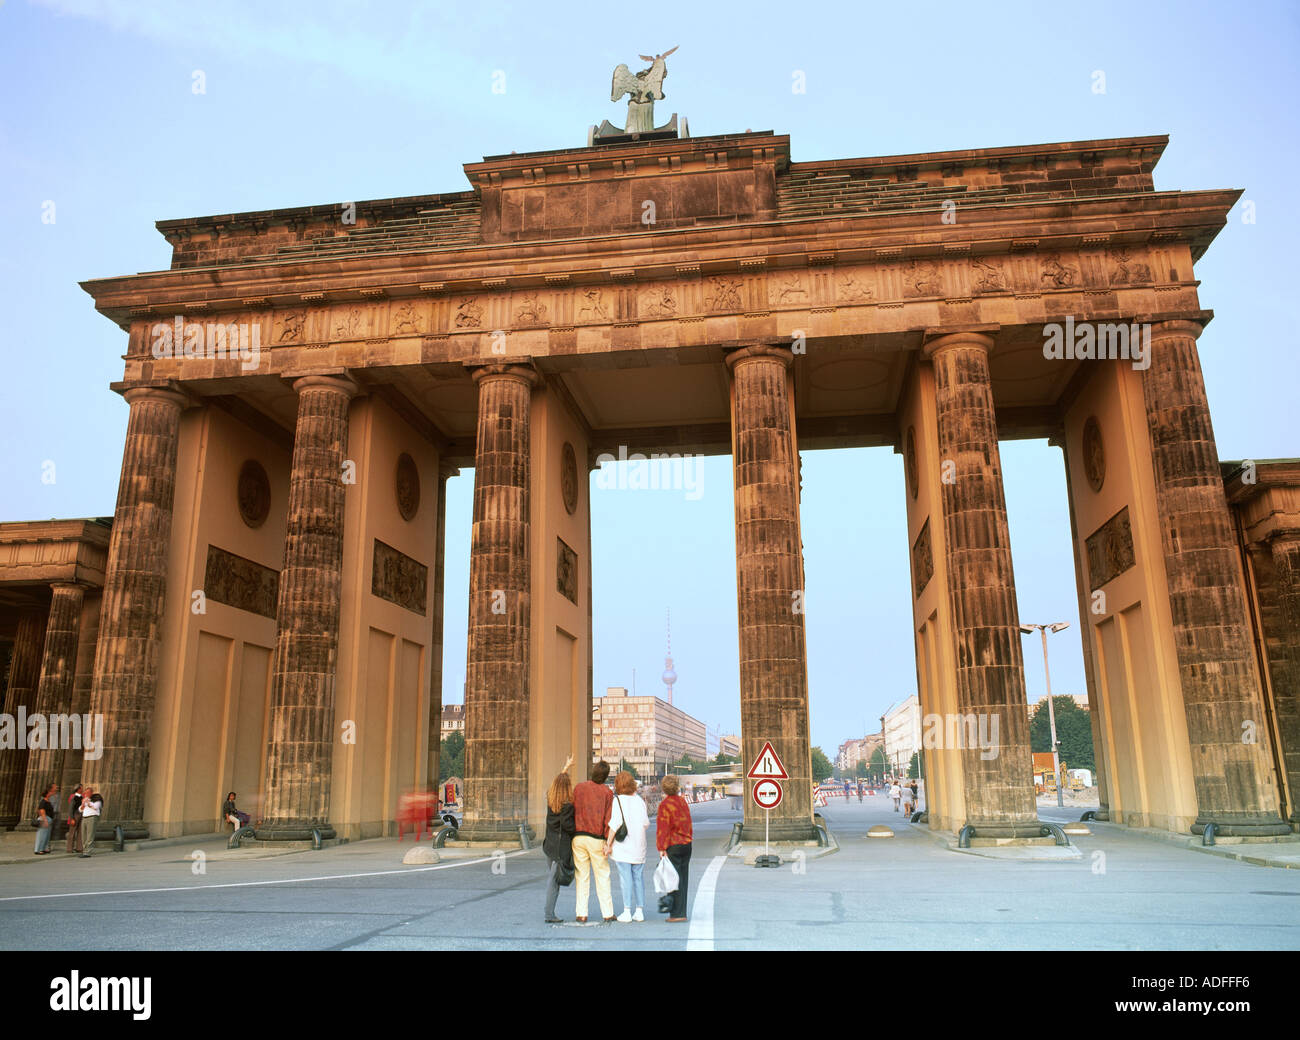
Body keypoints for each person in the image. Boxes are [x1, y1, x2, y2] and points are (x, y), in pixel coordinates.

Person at [571, 759, 615, 923]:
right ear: (606, 776)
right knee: (602, 875)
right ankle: (607, 913)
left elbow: (572, 808)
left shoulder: (579, 788)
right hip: (596, 838)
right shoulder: (607, 793)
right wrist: (607, 843)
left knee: (581, 876)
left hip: (578, 837)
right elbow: (608, 819)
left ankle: (581, 913)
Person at [609, 771, 650, 923]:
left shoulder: (617, 800)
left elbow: (615, 824)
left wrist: (608, 844)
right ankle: (639, 911)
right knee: (638, 877)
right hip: (639, 844)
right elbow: (646, 823)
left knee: (625, 878)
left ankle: (627, 911)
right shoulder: (639, 800)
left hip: (623, 846)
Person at [543, 755, 576, 924]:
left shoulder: (550, 798)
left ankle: (550, 912)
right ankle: (549, 914)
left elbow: (557, 782)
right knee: (554, 882)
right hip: (560, 848)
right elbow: (569, 827)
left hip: (549, 845)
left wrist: (566, 767)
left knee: (553, 878)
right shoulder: (568, 805)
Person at [656, 774, 694, 923]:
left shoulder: (665, 805)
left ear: (663, 787)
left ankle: (676, 914)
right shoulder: (683, 802)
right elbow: (688, 823)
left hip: (674, 845)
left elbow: (663, 828)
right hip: (686, 844)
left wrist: (661, 848)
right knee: (683, 878)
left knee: (673, 878)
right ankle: (682, 911)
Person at [33, 783, 57, 855]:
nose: (52, 794)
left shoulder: (47, 801)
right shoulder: (43, 801)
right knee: (42, 834)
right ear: (48, 793)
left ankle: (44, 848)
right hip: (45, 819)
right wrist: (44, 820)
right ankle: (38, 849)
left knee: (46, 835)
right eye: (50, 793)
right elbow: (41, 810)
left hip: (48, 818)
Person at [79, 787, 102, 857]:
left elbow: (95, 807)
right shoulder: (84, 801)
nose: (86, 794)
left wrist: (88, 802)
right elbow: (80, 810)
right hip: (84, 817)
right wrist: (83, 804)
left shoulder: (97, 800)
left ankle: (88, 852)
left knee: (90, 835)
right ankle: (84, 850)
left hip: (92, 817)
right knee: (84, 835)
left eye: (88, 793)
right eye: (85, 793)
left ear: (91, 793)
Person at [66, 784, 84, 854]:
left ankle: (79, 847)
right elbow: (71, 808)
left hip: (81, 814)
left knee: (80, 832)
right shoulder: (74, 797)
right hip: (75, 814)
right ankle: (69, 848)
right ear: (78, 789)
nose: (82, 789)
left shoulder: (82, 797)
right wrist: (72, 818)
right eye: (81, 788)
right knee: (72, 832)